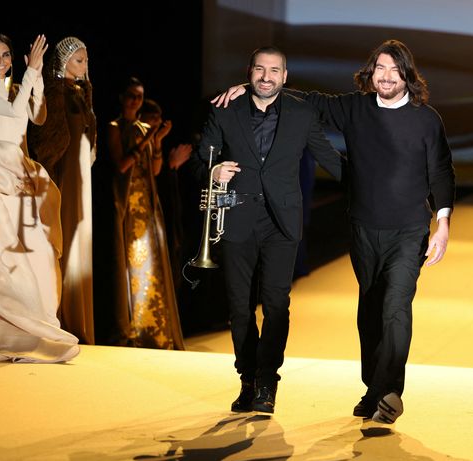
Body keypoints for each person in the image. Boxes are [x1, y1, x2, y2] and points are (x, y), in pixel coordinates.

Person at [213, 39, 455, 423]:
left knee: (395, 306)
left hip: (409, 229)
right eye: (380, 69)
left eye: (394, 69)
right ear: (371, 73)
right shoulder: (355, 108)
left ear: (407, 74)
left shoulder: (426, 119)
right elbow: (310, 100)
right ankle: (373, 388)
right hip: (363, 227)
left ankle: (389, 391)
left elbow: (441, 170)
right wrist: (254, 88)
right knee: (370, 310)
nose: (386, 76)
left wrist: (442, 222)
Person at [188, 46, 343, 414]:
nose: (266, 76)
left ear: (284, 76)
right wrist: (212, 172)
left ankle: (267, 381)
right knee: (240, 308)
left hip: (281, 223)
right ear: (250, 72)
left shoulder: (301, 113)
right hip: (237, 219)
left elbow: (331, 160)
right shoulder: (225, 110)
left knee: (276, 305)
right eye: (260, 69)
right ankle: (247, 378)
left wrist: (379, 188)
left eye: (274, 70)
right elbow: (199, 160)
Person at [0, 33, 80, 363]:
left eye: (6, 54)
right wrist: (32, 74)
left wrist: (34, 83)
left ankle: (33, 324)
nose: (1, 60)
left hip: (21, 170)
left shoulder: (17, 88)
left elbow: (37, 116)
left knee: (31, 255)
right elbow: (10, 113)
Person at [106, 77, 184, 350]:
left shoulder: (143, 128)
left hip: (147, 207)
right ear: (122, 98)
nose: (136, 101)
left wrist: (158, 143)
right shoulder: (115, 127)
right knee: (130, 267)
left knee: (151, 268)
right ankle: (132, 329)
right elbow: (122, 165)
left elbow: (155, 170)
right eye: (131, 96)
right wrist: (148, 139)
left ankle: (154, 328)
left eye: (139, 96)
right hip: (127, 207)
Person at [29, 36, 96, 344]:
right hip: (65, 174)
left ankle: (77, 317)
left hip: (82, 174)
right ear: (64, 61)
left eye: (85, 60)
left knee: (80, 240)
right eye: (78, 60)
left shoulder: (82, 92)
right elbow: (48, 139)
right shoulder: (55, 92)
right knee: (64, 236)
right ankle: (60, 316)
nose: (84, 66)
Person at [138, 99, 193, 290]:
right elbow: (153, 174)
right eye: (152, 117)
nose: (157, 122)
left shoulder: (156, 141)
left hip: (165, 210)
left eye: (158, 117)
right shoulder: (139, 138)